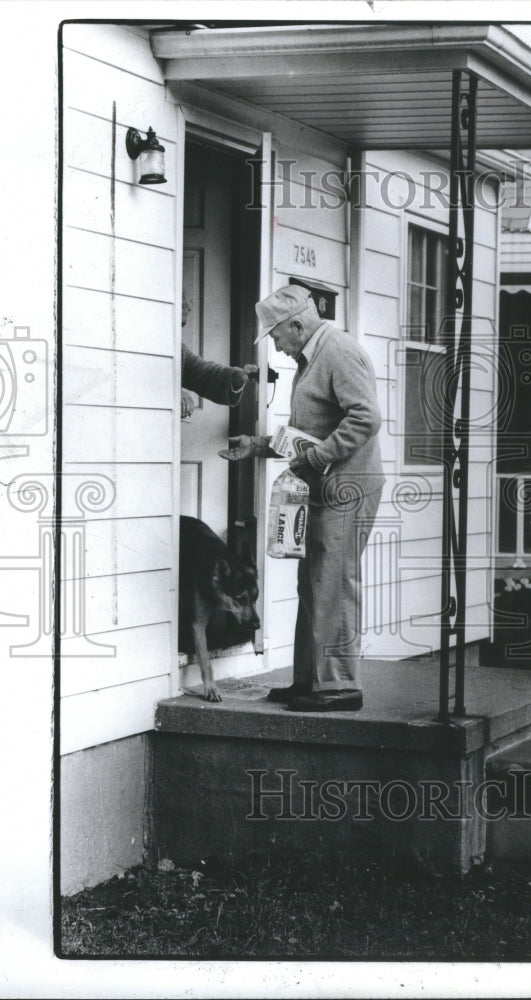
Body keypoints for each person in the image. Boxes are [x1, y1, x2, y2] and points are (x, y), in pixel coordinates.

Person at [225, 285, 385, 712]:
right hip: (326, 485)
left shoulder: (339, 351)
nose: (274, 344)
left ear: (297, 325)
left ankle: (339, 687)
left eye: (276, 335)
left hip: (348, 487)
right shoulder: (310, 357)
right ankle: (309, 681)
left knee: (332, 582)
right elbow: (307, 433)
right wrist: (258, 445)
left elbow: (367, 418)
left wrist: (317, 459)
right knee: (313, 583)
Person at [180, 292, 257, 415]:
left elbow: (205, 374)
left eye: (181, 325)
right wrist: (175, 393)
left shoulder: (179, 350)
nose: (179, 330)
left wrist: (238, 377)